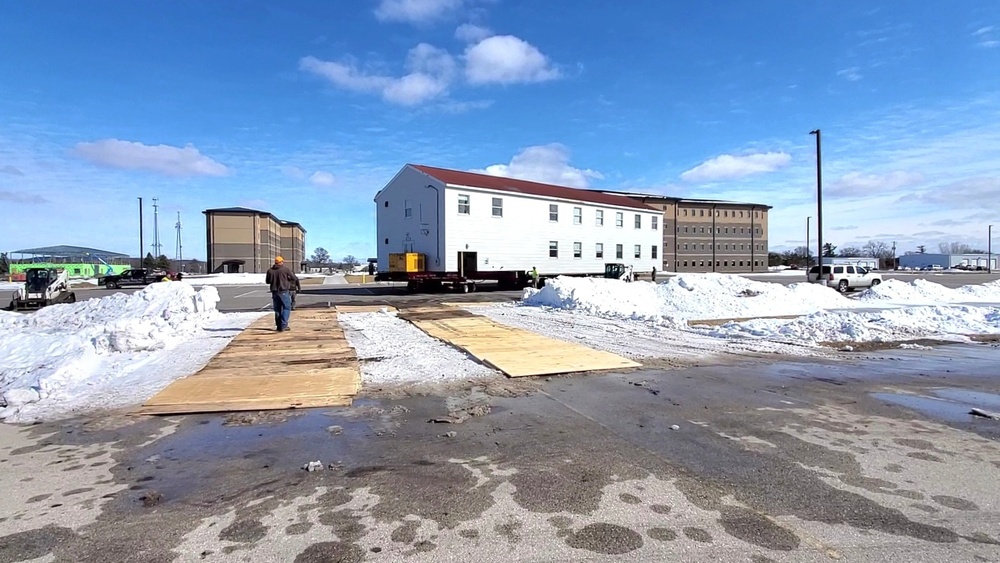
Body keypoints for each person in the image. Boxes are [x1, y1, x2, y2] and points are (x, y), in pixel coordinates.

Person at [265, 256, 297, 331]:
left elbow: (267, 281)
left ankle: (279, 326)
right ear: (281, 262)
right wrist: (288, 279)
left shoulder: (270, 271)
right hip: (284, 291)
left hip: (274, 292)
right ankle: (283, 325)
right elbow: (294, 278)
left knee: (277, 309)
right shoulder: (285, 270)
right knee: (286, 308)